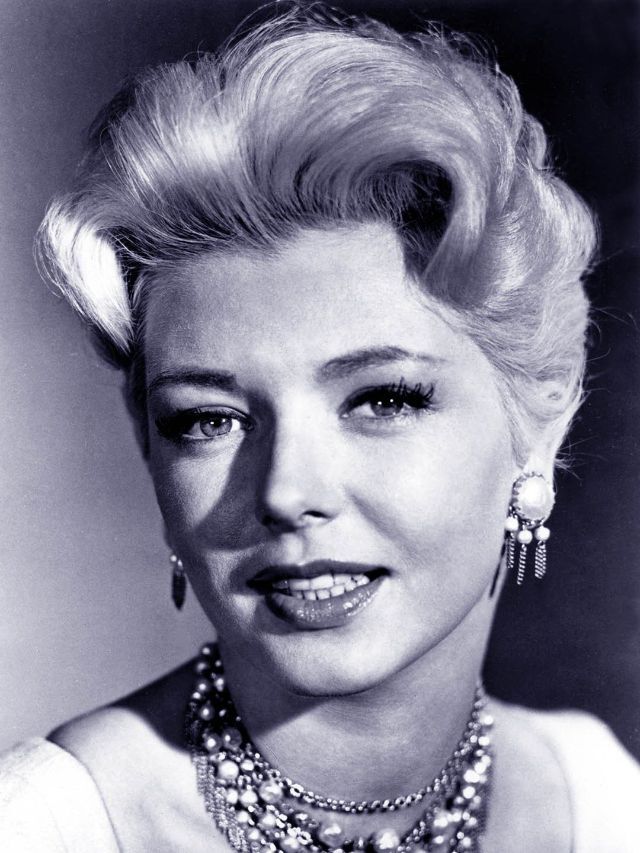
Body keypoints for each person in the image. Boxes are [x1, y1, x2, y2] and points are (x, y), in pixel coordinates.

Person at [1, 5, 638, 851]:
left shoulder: (602, 797)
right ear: (147, 441)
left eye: (383, 399)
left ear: (541, 422)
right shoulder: (40, 826)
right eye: (209, 418)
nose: (286, 491)